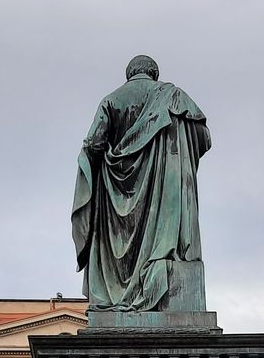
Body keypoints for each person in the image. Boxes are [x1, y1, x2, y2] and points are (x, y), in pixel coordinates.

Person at [72, 55, 211, 312]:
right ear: (154, 73)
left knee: (115, 251)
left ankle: (117, 293)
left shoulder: (111, 100)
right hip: (164, 197)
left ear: (129, 74)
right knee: (162, 241)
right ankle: (157, 272)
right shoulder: (174, 97)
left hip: (115, 200)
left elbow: (93, 145)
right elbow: (203, 137)